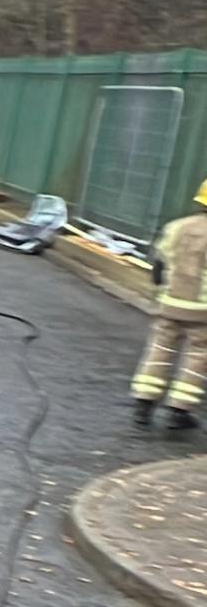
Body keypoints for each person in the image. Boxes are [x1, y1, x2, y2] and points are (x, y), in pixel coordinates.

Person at [130, 179, 207, 432]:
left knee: (160, 350)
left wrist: (160, 287)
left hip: (169, 303)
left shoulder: (176, 227)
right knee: (198, 356)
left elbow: (159, 264)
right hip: (202, 310)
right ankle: (179, 410)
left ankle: (144, 403)